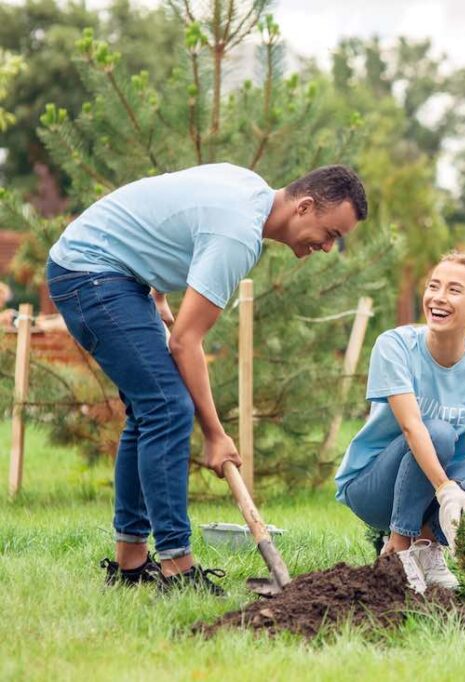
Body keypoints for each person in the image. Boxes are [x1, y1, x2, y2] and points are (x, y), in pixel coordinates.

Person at [46, 163, 367, 592]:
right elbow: (185, 343)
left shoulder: (250, 189)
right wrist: (216, 436)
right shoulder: (238, 234)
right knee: (167, 407)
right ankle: (177, 568)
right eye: (331, 234)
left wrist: (158, 290)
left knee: (149, 412)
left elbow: (169, 209)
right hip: (92, 271)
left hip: (112, 271)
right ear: (304, 206)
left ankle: (130, 566)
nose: (328, 247)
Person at [334, 251, 465, 591]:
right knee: (438, 432)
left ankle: (427, 547)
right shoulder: (396, 345)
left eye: (453, 290)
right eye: (434, 286)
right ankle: (397, 550)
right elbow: (412, 427)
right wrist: (446, 489)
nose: (438, 297)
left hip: (429, 488)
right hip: (373, 486)